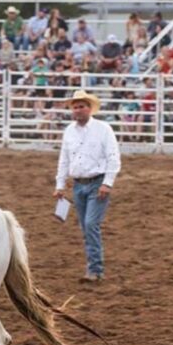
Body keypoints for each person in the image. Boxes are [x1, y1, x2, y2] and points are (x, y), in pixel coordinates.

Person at [53, 90, 121, 282]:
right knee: (87, 226)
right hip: (78, 184)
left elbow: (113, 156)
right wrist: (60, 185)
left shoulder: (103, 129)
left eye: (81, 106)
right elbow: (64, 160)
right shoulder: (69, 131)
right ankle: (94, 267)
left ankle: (95, 269)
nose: (78, 110)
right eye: (75, 107)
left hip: (97, 182)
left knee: (90, 224)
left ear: (89, 109)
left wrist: (107, 183)